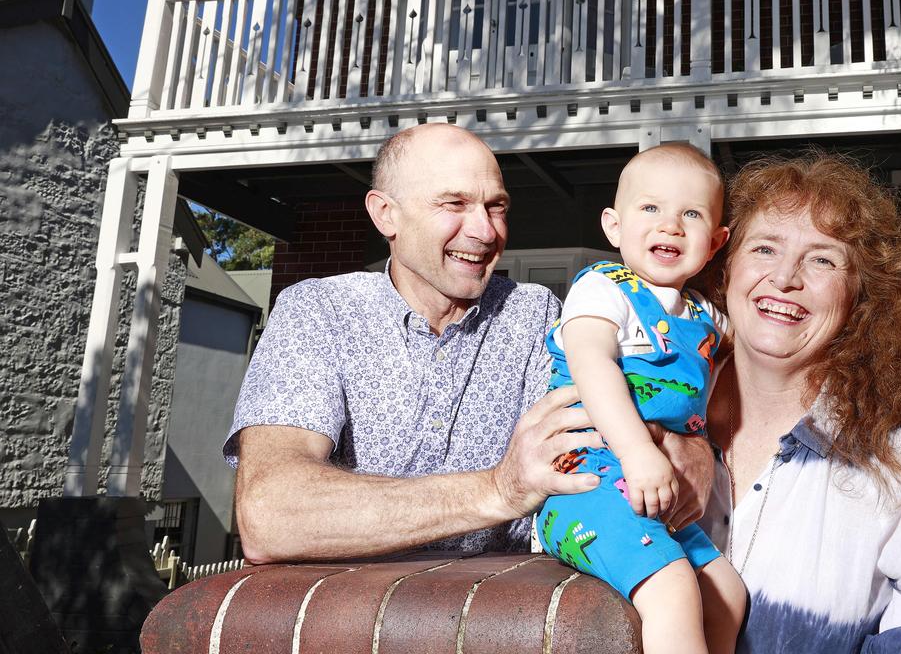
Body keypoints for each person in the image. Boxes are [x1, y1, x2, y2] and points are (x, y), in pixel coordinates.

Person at [224, 124, 712, 562]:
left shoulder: (536, 311)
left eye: (495, 206)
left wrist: (690, 445)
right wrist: (498, 490)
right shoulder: (319, 312)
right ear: (385, 214)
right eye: (454, 204)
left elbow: (621, 407)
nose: (484, 231)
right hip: (343, 619)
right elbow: (271, 515)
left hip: (506, 614)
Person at [699, 153, 901, 652]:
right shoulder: (640, 402)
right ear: (724, 268)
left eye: (823, 258)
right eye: (765, 248)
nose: (786, 277)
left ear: (861, 296)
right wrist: (527, 490)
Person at [536, 144, 746, 653]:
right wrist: (638, 452)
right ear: (613, 226)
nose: (670, 226)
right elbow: (592, 365)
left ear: (715, 241)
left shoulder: (704, 315)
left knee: (728, 592)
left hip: (653, 490)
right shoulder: (602, 289)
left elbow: (747, 346)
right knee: (672, 586)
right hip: (588, 480)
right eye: (649, 208)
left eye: (690, 214)